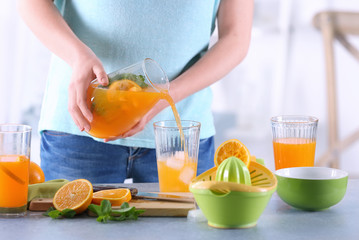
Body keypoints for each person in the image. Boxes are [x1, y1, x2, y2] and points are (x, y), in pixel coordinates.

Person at [18, 0, 253, 183]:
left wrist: (165, 96)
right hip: (82, 125)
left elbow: (236, 38)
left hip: (180, 135)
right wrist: (77, 56)